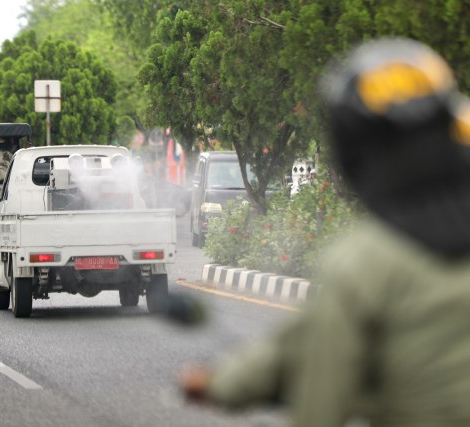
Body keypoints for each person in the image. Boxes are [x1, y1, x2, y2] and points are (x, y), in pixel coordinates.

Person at [180, 37, 470, 426]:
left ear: (352, 152)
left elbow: (320, 404)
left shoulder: (365, 263)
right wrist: (227, 383)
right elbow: (305, 336)